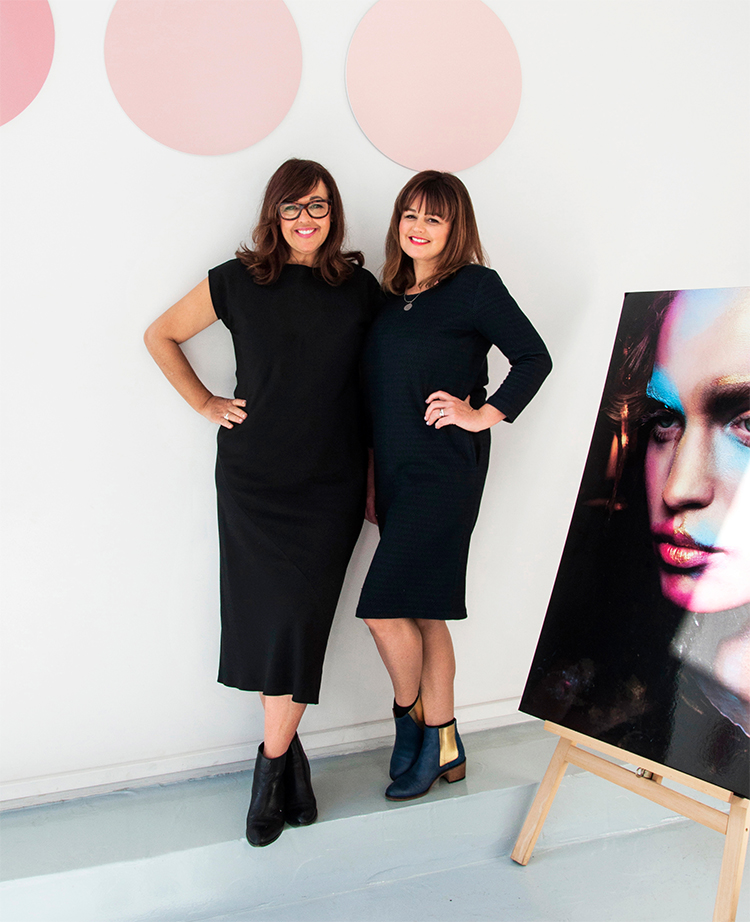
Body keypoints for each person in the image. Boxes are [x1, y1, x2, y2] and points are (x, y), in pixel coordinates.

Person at [144, 159, 380, 846]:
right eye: (293, 208)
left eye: (319, 206)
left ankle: (271, 767)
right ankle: (284, 767)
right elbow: (160, 335)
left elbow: (376, 389)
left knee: (298, 626)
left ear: (334, 213)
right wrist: (206, 402)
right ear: (273, 215)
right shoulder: (238, 280)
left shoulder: (359, 290)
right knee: (272, 626)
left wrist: (375, 475)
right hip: (254, 483)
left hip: (330, 485)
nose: (307, 219)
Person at [357, 171, 552, 801]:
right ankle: (445, 741)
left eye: (433, 219)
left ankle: (413, 721)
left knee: (384, 612)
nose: (417, 228)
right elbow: (376, 398)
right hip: (393, 473)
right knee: (423, 607)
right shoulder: (391, 298)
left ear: (455, 227)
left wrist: (481, 413)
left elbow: (534, 357)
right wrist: (369, 479)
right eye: (409, 215)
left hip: (444, 470)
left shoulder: (474, 287)